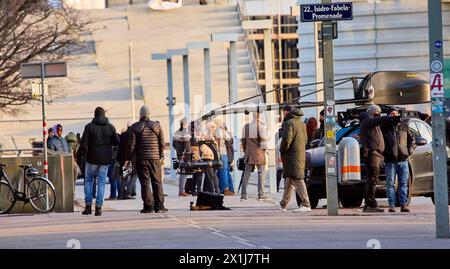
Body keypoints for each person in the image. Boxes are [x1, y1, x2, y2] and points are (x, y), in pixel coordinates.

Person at [79, 107, 120, 216]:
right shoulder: (110, 127)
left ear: (95, 115)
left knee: (88, 181)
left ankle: (88, 207)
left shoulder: (89, 127)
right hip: (105, 160)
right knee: (101, 182)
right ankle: (98, 208)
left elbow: (83, 144)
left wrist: (80, 156)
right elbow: (116, 141)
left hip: (91, 158)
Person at [127, 105, 167, 213]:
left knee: (145, 182)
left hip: (141, 158)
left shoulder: (134, 127)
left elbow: (131, 146)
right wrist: (161, 155)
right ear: (149, 115)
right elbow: (162, 143)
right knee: (157, 181)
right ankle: (159, 206)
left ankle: (148, 206)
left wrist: (130, 158)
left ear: (140, 115)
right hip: (155, 158)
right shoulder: (157, 126)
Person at [276, 106, 311, 212]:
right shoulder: (302, 124)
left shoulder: (289, 123)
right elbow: (306, 139)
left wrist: (282, 150)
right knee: (289, 179)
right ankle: (283, 203)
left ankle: (306, 204)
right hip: (300, 154)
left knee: (297, 179)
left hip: (291, 156)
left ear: (289, 113)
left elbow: (286, 140)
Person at [381, 107, 415, 213]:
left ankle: (403, 205)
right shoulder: (384, 127)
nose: (394, 116)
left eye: (396, 114)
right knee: (390, 183)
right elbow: (380, 143)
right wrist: (383, 154)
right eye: (392, 114)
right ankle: (391, 205)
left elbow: (412, 140)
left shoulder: (404, 126)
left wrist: (409, 151)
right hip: (390, 160)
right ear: (388, 115)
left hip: (403, 160)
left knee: (403, 183)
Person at [359, 104, 392, 213]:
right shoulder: (367, 120)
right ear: (373, 113)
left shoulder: (369, 121)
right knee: (372, 179)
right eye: (377, 113)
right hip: (372, 155)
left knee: (372, 179)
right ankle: (370, 204)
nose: (378, 116)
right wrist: (388, 117)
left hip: (375, 155)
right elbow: (377, 121)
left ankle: (370, 203)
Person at [240, 112, 270, 201]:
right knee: (261, 173)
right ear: (259, 117)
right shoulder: (260, 127)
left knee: (246, 174)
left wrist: (246, 151)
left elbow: (243, 141)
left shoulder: (245, 127)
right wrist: (265, 150)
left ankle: (243, 195)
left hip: (249, 154)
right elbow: (263, 143)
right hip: (259, 154)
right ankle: (261, 194)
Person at [214, 117, 234, 195]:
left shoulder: (215, 131)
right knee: (224, 172)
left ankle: (225, 188)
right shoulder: (221, 131)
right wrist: (225, 131)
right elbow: (229, 139)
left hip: (219, 154)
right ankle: (226, 189)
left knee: (222, 172)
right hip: (223, 153)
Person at [173, 117, 191, 197]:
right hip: (185, 155)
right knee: (184, 173)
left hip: (179, 154)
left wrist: (178, 151)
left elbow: (174, 145)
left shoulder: (176, 132)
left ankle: (181, 190)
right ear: (185, 124)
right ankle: (181, 191)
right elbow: (187, 145)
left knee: (182, 172)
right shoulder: (185, 132)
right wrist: (188, 154)